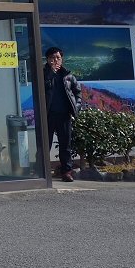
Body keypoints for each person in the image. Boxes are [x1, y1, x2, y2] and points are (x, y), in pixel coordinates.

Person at [43, 47, 81, 182]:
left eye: (58, 58)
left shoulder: (68, 75)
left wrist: (75, 108)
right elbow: (41, 88)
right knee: (44, 144)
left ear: (62, 59)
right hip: (47, 115)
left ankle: (67, 172)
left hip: (64, 114)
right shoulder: (42, 74)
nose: (55, 60)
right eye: (52, 58)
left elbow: (77, 93)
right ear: (47, 59)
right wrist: (51, 74)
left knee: (65, 145)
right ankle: (42, 171)